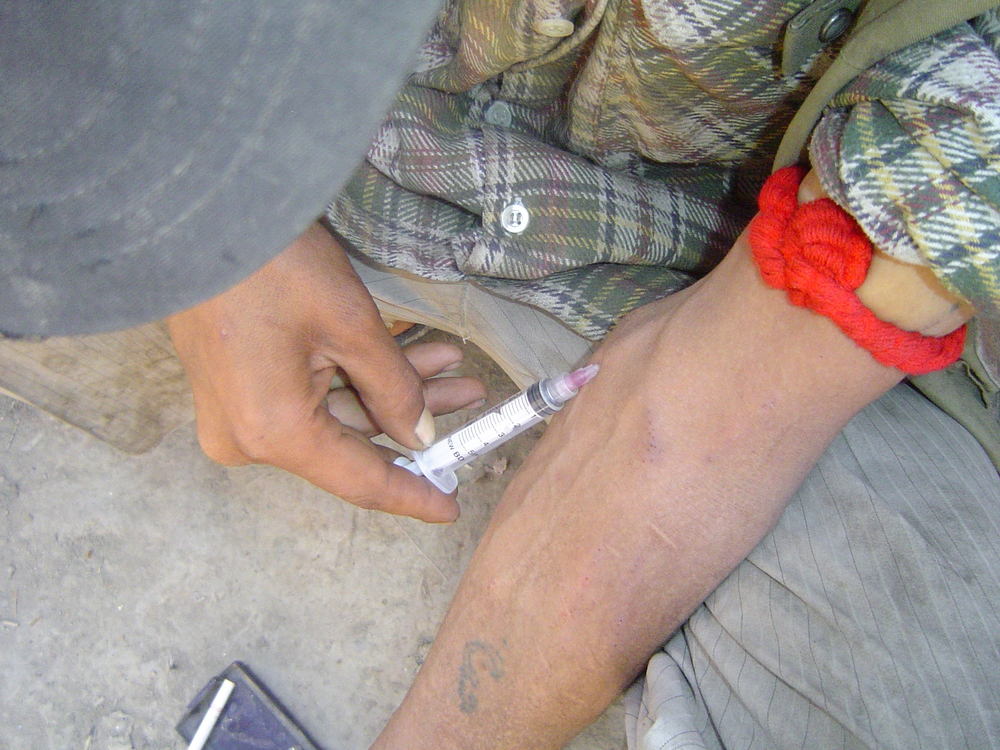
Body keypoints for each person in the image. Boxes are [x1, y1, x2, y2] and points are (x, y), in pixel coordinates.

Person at [6, 1, 1000, 747]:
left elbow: (690, 429)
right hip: (350, 163)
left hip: (689, 259)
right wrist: (216, 229)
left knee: (901, 687)